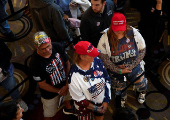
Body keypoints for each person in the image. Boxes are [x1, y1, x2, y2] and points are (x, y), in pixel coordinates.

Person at [97, 12, 148, 107]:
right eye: (116, 30)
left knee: (141, 82)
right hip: (115, 69)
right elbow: (104, 59)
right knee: (119, 89)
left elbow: (142, 50)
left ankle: (141, 91)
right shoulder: (104, 38)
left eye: (121, 29)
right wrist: (119, 70)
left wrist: (131, 66)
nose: (119, 32)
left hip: (134, 66)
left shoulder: (134, 33)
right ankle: (122, 98)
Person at [29, 31, 74, 120]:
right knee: (49, 113)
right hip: (49, 93)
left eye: (48, 46)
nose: (47, 50)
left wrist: (66, 85)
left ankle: (68, 108)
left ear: (49, 40)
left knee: (67, 98)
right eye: (43, 49)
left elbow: (68, 64)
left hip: (66, 83)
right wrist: (59, 91)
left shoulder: (57, 46)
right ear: (36, 47)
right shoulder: (35, 63)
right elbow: (42, 84)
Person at [68, 41, 111, 120]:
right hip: (84, 108)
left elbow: (106, 78)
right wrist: (96, 108)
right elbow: (79, 100)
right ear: (82, 57)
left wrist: (106, 101)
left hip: (100, 102)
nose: (95, 56)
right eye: (91, 55)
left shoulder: (97, 60)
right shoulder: (74, 76)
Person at [0, 40, 28, 112]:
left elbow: (8, 54)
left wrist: (1, 67)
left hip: (4, 73)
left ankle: (17, 100)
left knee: (12, 87)